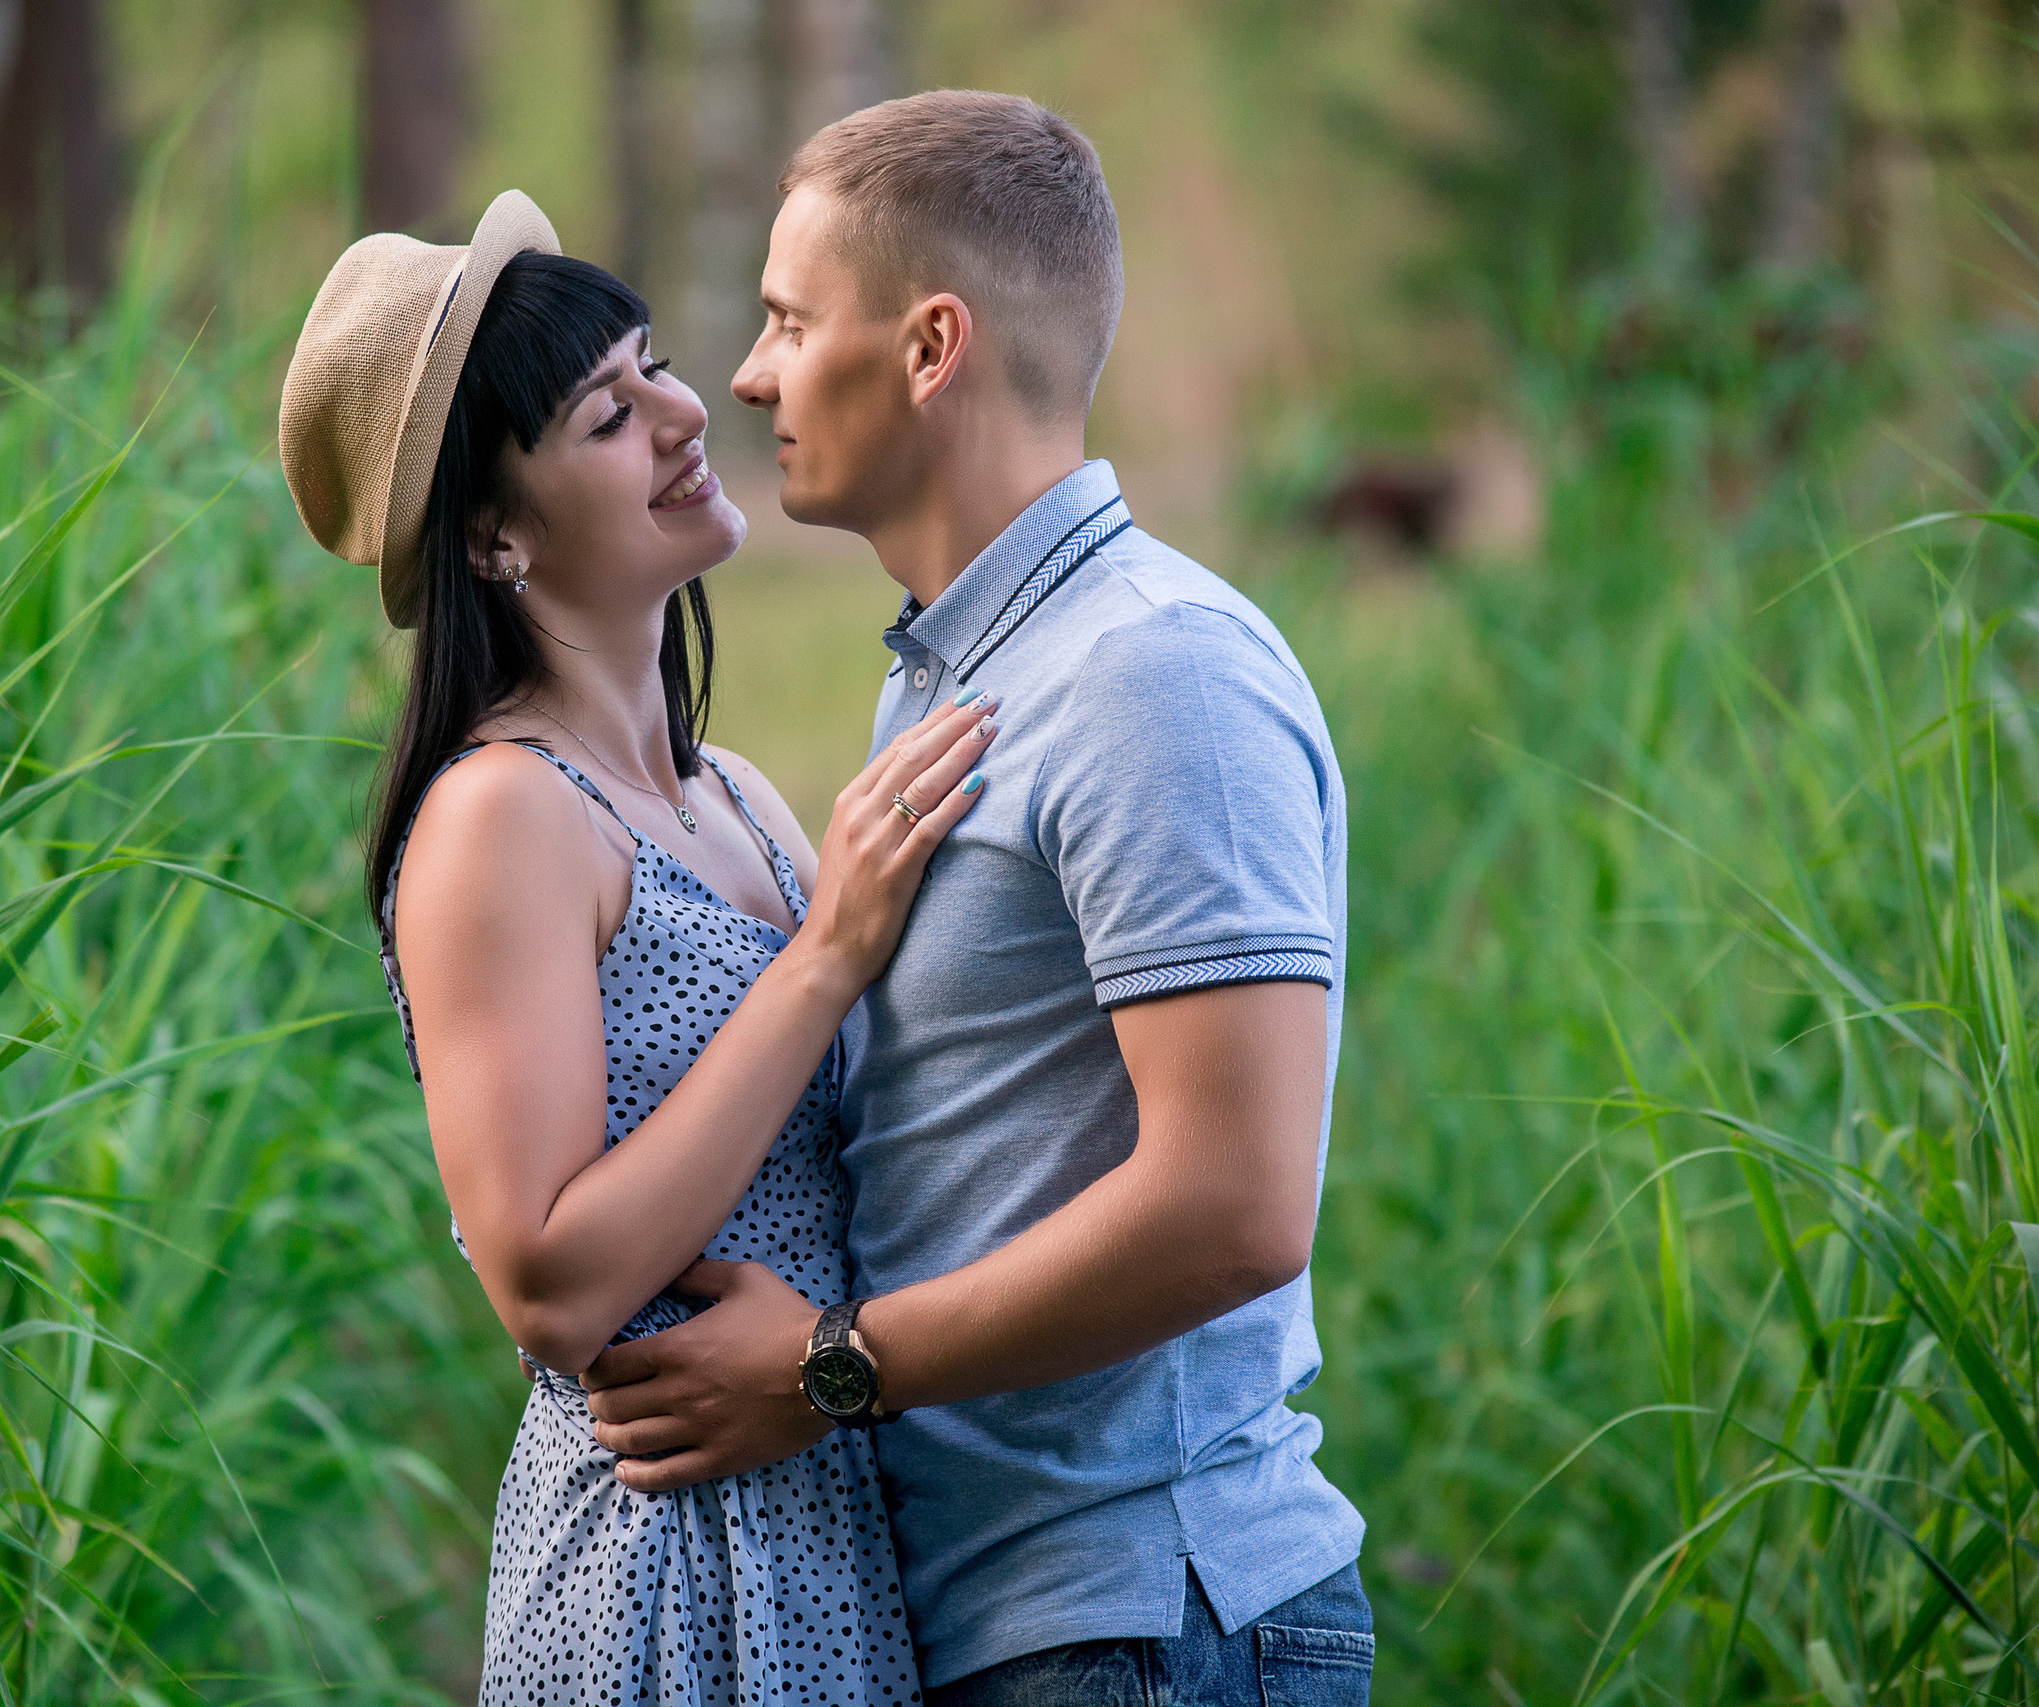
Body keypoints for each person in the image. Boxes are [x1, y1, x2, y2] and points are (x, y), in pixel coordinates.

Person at [577, 92, 1375, 1706]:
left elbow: (1236, 1203)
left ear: (931, 345)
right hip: (1023, 1623)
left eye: (792, 321)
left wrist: (828, 1371)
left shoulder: (1151, 673)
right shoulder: (968, 674)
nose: (745, 375)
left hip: (1146, 1621)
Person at [277, 189, 987, 1703]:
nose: (682, 411)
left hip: (830, 1518)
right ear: (493, 535)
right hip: (668, 1570)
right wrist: (824, 961)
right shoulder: (501, 817)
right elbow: (547, 1283)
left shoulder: (735, 797)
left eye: (655, 363)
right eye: (608, 413)